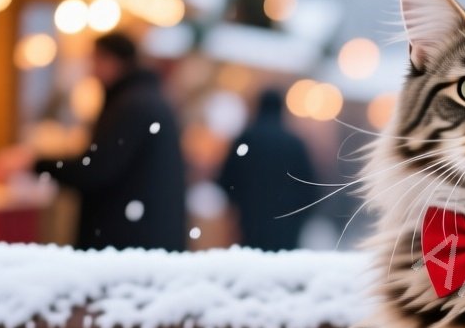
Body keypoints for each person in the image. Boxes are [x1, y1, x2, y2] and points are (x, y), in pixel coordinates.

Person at [36, 32, 187, 252]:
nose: (91, 69)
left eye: (94, 60)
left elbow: (96, 169)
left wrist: (39, 165)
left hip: (128, 242)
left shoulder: (131, 106)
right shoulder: (145, 98)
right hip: (145, 236)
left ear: (113, 61)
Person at [218, 88, 318, 251]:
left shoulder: (245, 139)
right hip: (286, 227)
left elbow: (226, 179)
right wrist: (297, 217)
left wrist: (239, 204)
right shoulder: (294, 143)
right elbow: (310, 188)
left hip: (250, 223)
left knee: (251, 269)